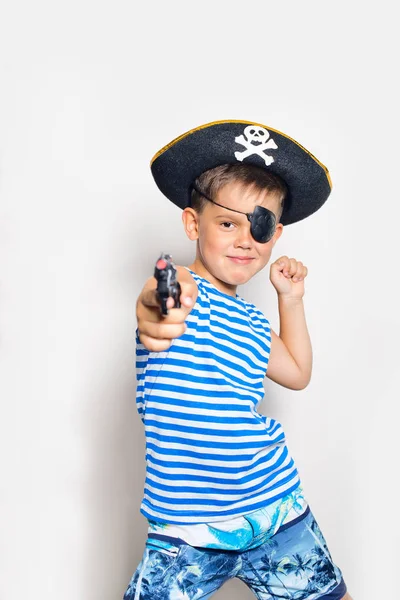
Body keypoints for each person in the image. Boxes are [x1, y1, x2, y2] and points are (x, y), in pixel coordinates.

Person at [123, 121, 352, 600]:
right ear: (192, 224)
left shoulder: (250, 321)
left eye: (261, 226)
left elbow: (297, 372)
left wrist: (291, 298)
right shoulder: (181, 290)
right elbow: (156, 309)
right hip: (186, 532)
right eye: (228, 223)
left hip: (273, 507)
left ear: (277, 234)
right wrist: (158, 308)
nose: (246, 239)